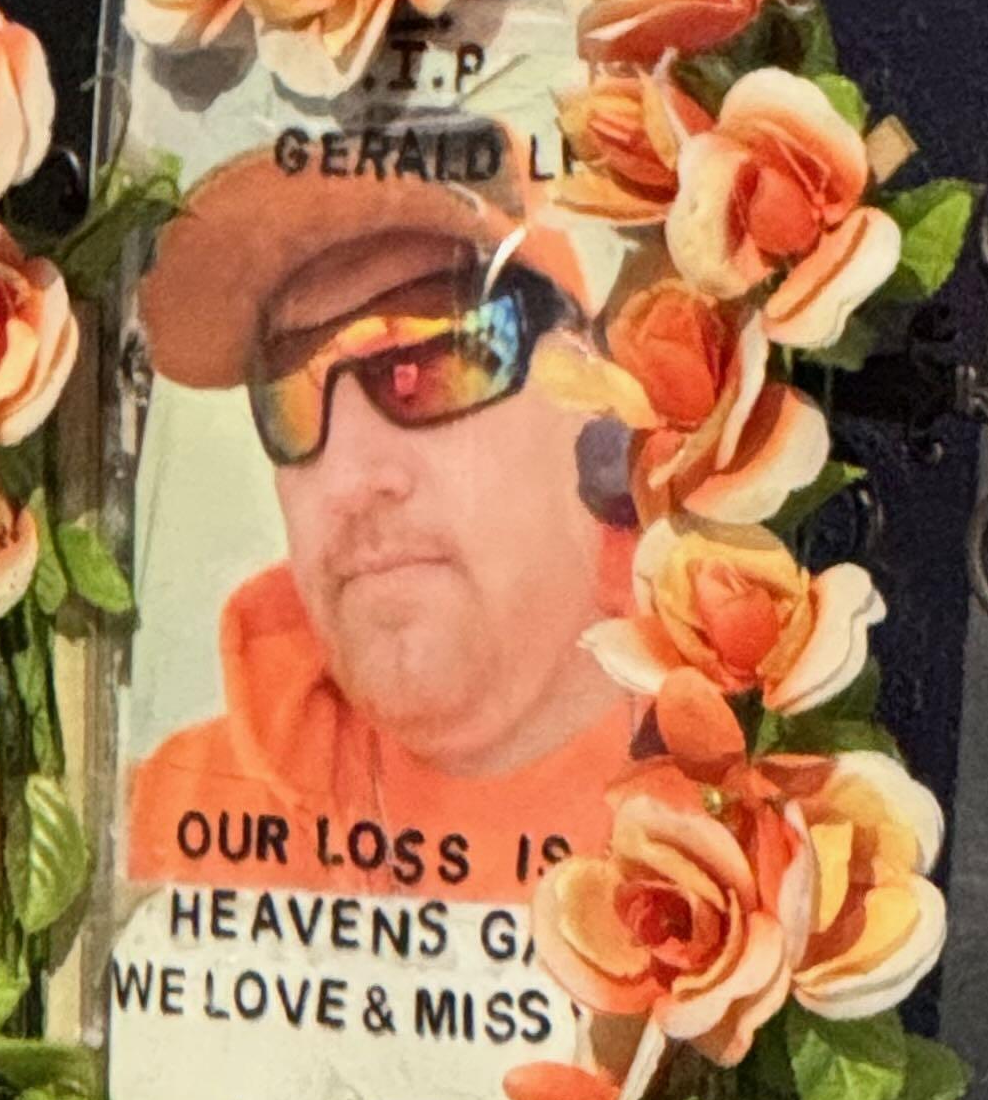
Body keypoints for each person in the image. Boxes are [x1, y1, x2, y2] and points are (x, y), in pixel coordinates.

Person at [123, 155, 639, 899]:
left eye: (428, 364)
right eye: (289, 397)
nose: (348, 482)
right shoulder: (170, 828)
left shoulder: (754, 793)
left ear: (591, 396)